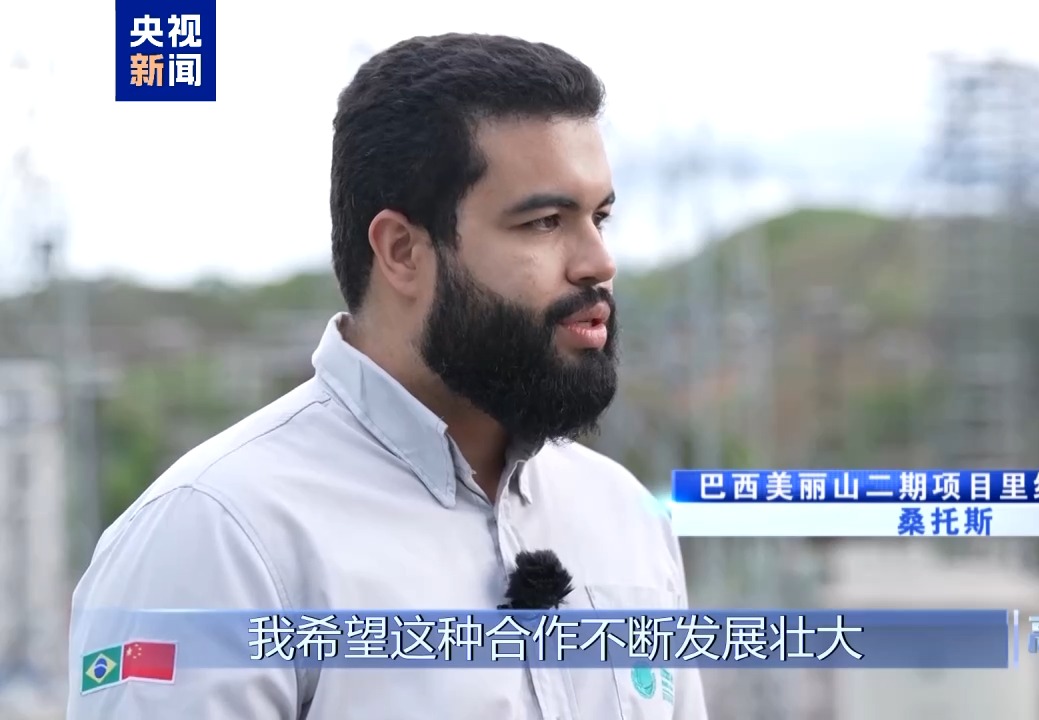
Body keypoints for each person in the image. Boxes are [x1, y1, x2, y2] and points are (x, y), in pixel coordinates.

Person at [67, 33, 707, 720]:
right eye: (545, 222)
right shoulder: (218, 534)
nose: (599, 262)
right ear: (402, 251)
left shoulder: (622, 514)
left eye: (600, 217)